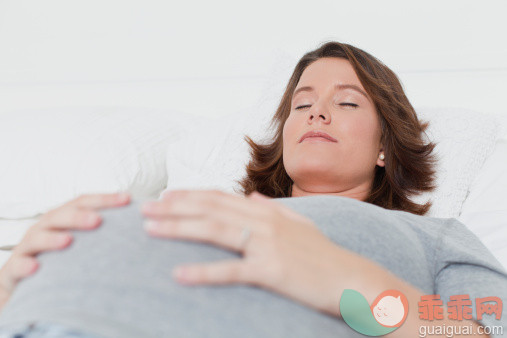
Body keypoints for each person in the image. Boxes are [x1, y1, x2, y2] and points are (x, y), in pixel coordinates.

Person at [0, 41, 505, 338]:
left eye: (347, 104)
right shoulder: (203, 206)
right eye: (301, 105)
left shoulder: (439, 237)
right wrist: (12, 283)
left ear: (383, 148)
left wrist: (356, 289)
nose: (316, 112)